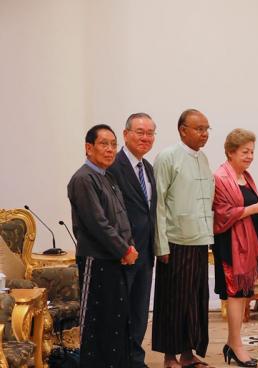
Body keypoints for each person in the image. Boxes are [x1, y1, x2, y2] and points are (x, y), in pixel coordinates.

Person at [67, 124, 139, 367]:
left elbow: (121, 218)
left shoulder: (107, 176)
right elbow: (98, 224)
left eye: (113, 144)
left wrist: (129, 247)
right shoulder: (83, 179)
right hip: (95, 261)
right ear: (89, 148)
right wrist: (124, 249)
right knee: (96, 324)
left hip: (115, 259)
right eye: (103, 144)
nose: (110, 150)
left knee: (115, 322)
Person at [152, 109, 214, 368]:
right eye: (199, 129)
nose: (204, 134)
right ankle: (170, 356)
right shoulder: (167, 157)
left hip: (199, 240)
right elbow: (158, 204)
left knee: (196, 301)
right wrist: (161, 244)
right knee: (174, 302)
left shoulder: (203, 158)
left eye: (207, 129)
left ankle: (188, 354)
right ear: (182, 130)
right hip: (175, 243)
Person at [212, 128, 258, 367]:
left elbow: (246, 207)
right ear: (230, 152)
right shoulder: (220, 178)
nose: (249, 156)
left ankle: (232, 343)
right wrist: (255, 209)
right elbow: (222, 215)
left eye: (252, 152)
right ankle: (236, 346)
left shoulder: (245, 177)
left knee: (242, 295)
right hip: (231, 246)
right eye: (244, 152)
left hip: (248, 245)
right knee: (235, 296)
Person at [107, 112, 157, 368]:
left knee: (139, 311)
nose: (145, 138)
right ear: (125, 134)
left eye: (150, 133)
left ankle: (135, 359)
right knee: (121, 311)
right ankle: (121, 360)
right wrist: (122, 246)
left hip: (146, 252)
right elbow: (111, 213)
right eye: (140, 132)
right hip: (123, 252)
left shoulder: (147, 168)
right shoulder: (113, 167)